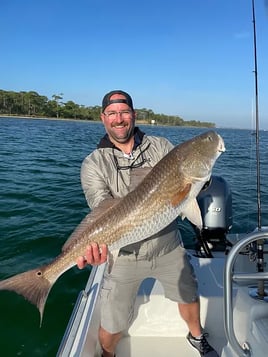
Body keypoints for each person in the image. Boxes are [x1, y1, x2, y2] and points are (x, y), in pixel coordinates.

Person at [77, 90, 219, 357]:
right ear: (103, 118)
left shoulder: (161, 146)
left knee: (188, 294)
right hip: (124, 255)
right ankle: (108, 353)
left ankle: (197, 336)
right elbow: (101, 209)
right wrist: (93, 246)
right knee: (113, 323)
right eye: (112, 113)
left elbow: (188, 193)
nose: (119, 119)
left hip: (169, 247)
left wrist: (204, 181)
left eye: (124, 112)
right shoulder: (93, 164)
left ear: (134, 115)